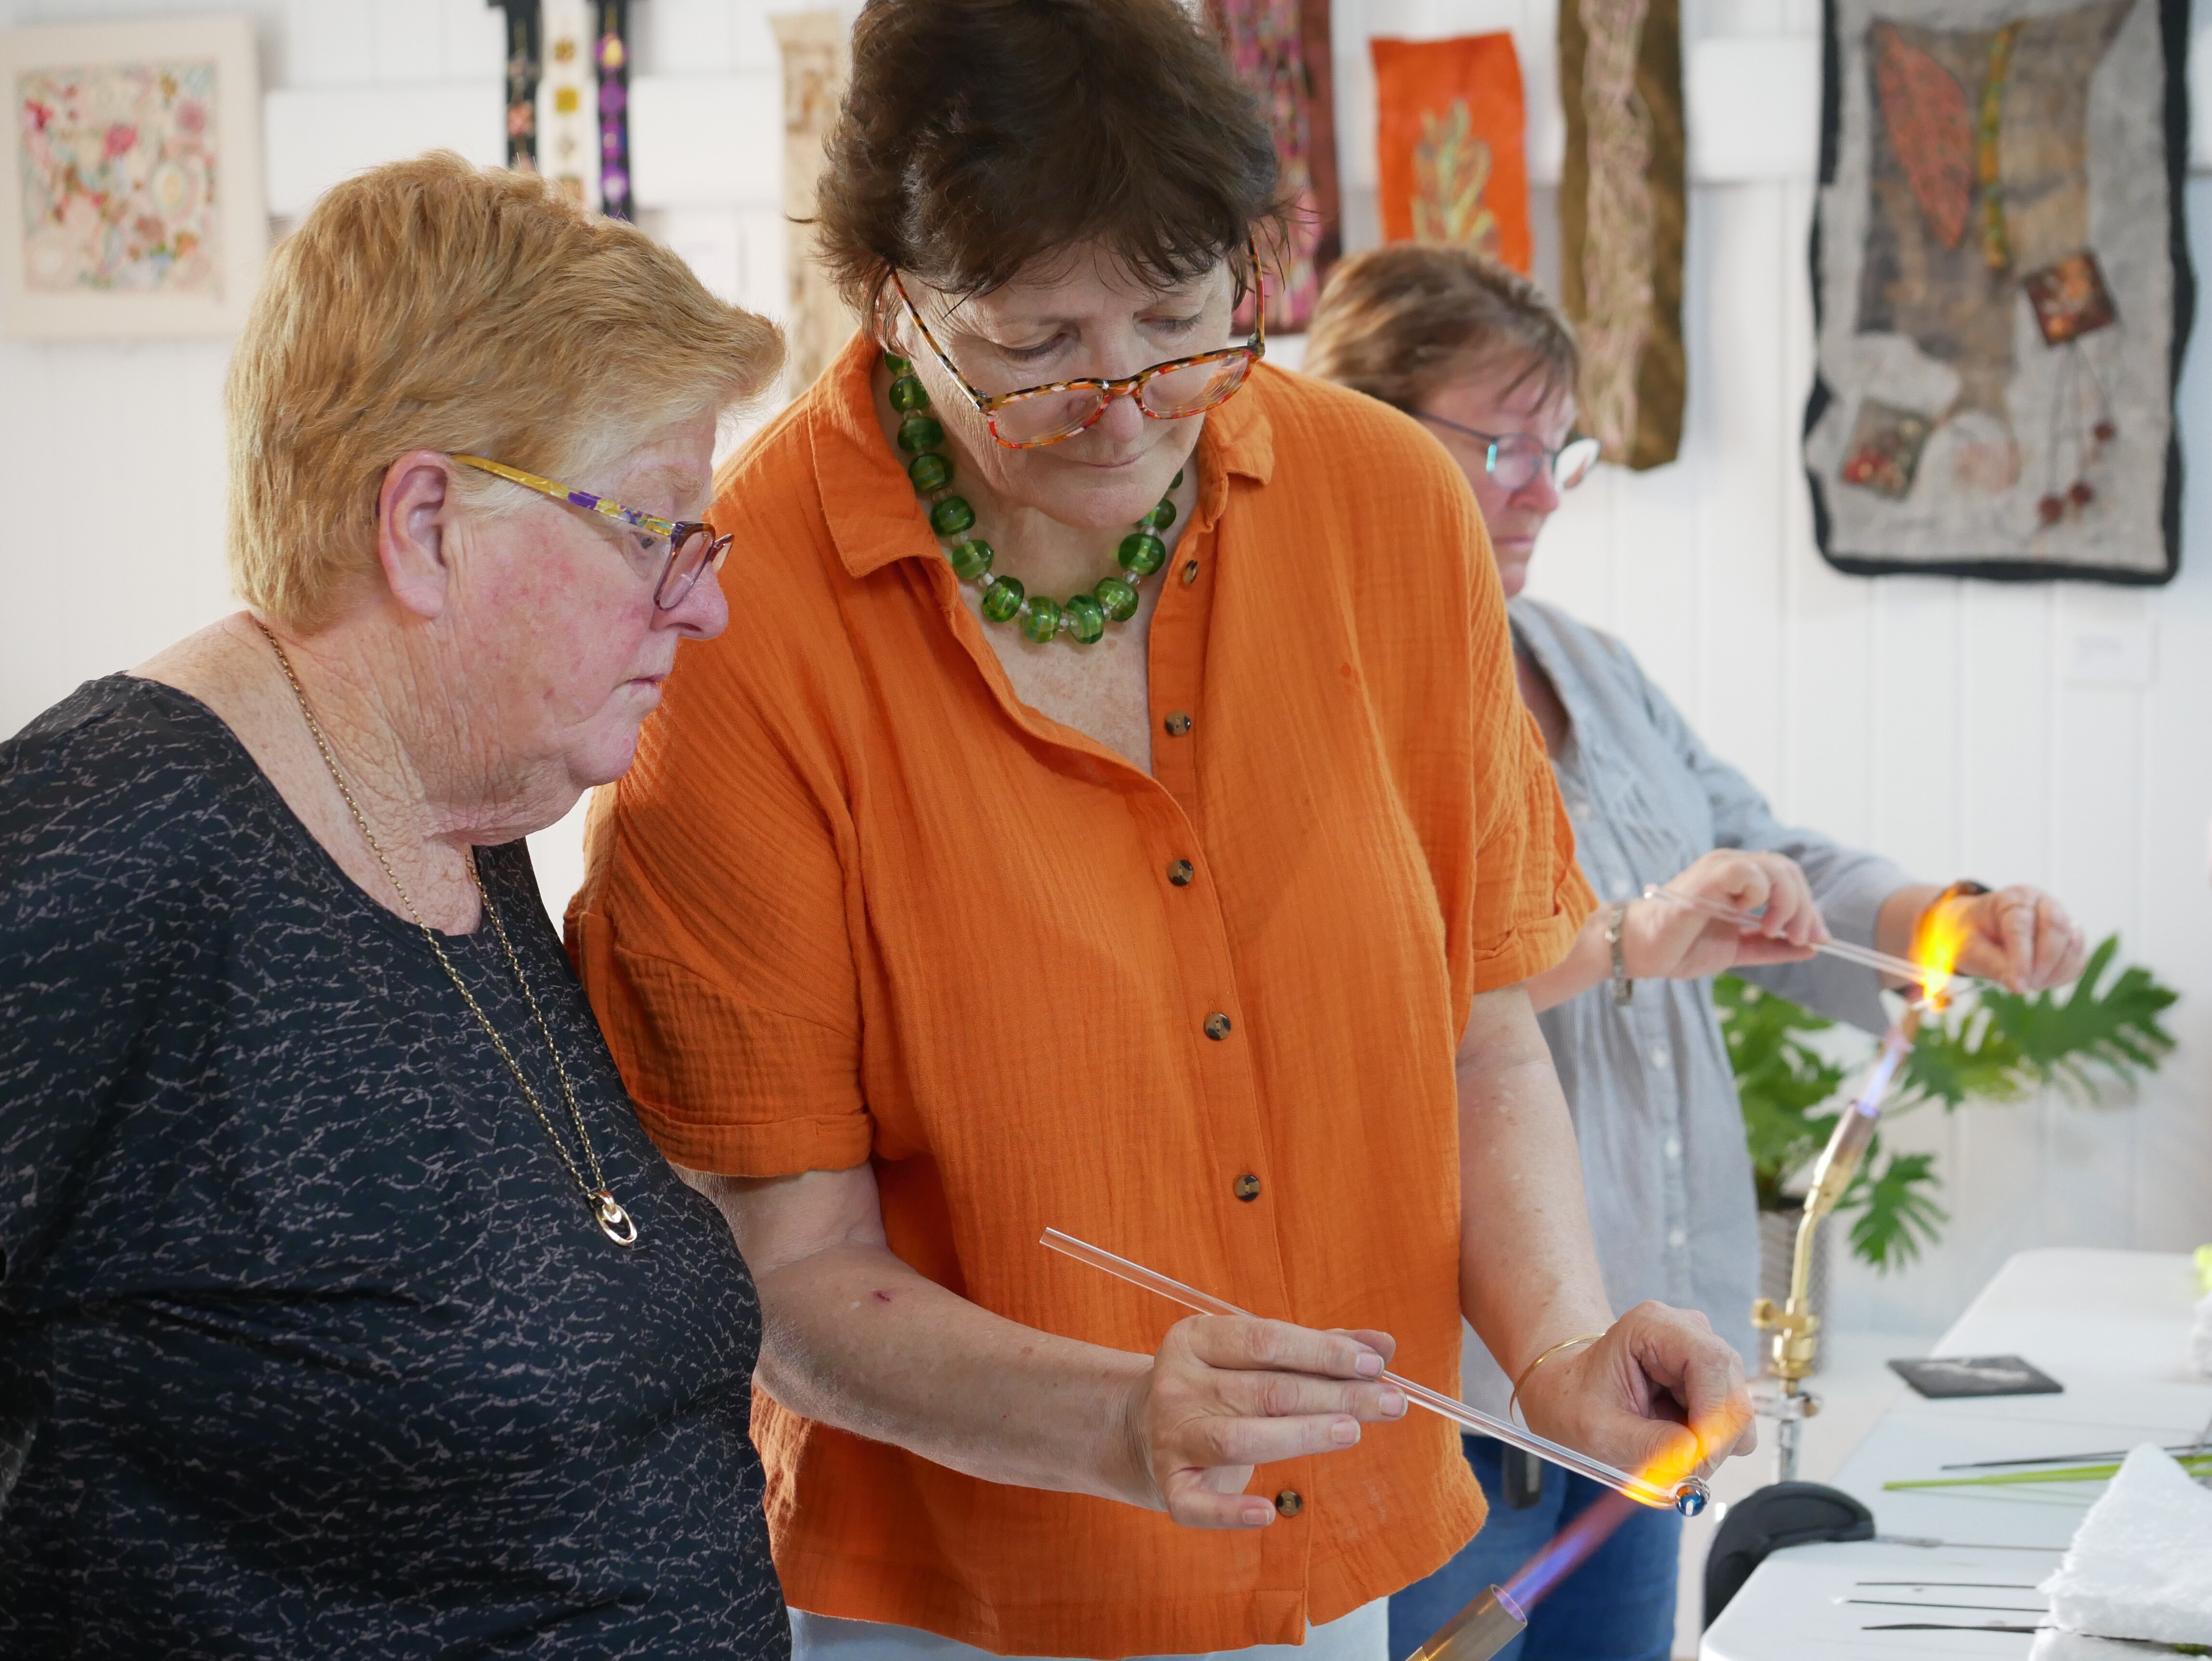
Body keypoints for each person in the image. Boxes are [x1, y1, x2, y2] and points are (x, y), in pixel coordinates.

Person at [565, 4, 1755, 1659]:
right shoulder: (740, 615)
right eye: (1035, 345)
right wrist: (1117, 1420)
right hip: (963, 1597)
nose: (1120, 404)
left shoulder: (1394, 515)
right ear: (890, 299)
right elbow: (788, 1263)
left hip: (1333, 1545)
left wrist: (1558, 1349)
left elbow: (1474, 1039)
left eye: (1180, 322)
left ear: (1259, 263)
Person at [0, 155, 791, 1655]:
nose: (703, 601)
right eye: (651, 528)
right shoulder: (103, 848)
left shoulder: (455, 816)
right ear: (426, 523)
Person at [1304, 243, 2089, 1661]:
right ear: (1361, 436)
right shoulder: (1311, 688)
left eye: (1564, 451)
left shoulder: (1586, 662)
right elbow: (1351, 992)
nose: (1544, 489)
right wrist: (1616, 940)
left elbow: (1766, 859)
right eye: (1501, 447)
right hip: (1453, 1395)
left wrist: (1937, 921)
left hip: (1647, 1365)